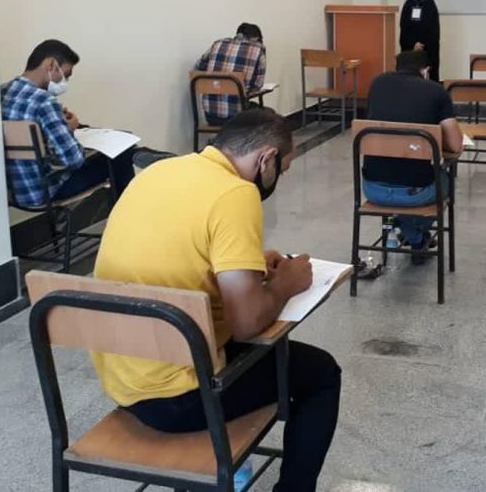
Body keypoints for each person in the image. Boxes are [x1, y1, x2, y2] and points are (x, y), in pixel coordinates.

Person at [92, 109, 340, 492]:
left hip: (122, 378)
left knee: (277, 354)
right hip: (179, 397)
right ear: (267, 159)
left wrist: (248, 264)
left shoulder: (160, 171)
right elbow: (247, 324)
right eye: (283, 169)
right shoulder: (237, 193)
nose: (279, 179)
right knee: (321, 373)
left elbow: (177, 254)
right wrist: (286, 284)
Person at [1, 39, 135, 208]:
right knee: (122, 152)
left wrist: (59, 125)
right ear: (51, 65)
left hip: (13, 190)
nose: (65, 81)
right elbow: (73, 160)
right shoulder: (44, 102)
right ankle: (128, 215)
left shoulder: (2, 91)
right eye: (66, 74)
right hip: (45, 190)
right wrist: (69, 130)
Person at [363, 50, 462, 261]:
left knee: (399, 178)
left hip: (372, 189)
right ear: (425, 71)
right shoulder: (436, 91)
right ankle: (415, 236)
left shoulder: (377, 84)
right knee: (446, 181)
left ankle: (406, 229)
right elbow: (455, 145)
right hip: (415, 193)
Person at [195, 23, 267, 125]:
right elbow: (257, 86)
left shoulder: (217, 44)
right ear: (256, 38)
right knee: (268, 114)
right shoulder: (258, 50)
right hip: (238, 116)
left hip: (211, 115)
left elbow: (199, 66)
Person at [399, 0, 441, 82]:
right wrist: (413, 44)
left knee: (427, 76)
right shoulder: (408, 4)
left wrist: (422, 44)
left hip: (427, 49)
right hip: (409, 48)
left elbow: (433, 31)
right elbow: (404, 27)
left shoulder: (431, 6)